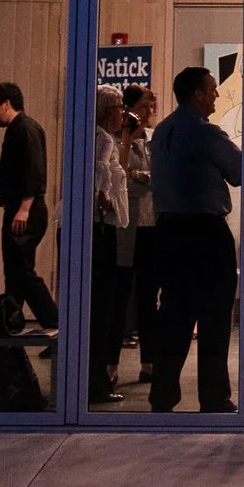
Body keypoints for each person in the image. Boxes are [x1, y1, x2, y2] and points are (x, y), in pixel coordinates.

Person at [148, 65, 242, 413]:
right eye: (212, 89)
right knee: (215, 316)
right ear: (197, 94)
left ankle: (163, 396)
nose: (217, 94)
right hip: (205, 233)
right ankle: (214, 397)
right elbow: (240, 171)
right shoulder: (208, 134)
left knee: (174, 315)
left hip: (170, 232)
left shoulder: (162, 132)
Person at [0, 82, 58, 331]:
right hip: (20, 207)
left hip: (25, 211)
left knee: (22, 271)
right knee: (16, 273)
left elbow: (33, 170)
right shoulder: (19, 129)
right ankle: (11, 326)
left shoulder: (25, 129)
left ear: (6, 104)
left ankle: (56, 324)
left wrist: (24, 208)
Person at [87, 85, 133, 404]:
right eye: (119, 107)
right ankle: (96, 381)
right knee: (100, 307)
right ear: (106, 111)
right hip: (98, 228)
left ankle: (93, 376)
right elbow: (102, 179)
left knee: (99, 306)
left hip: (97, 226)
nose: (123, 113)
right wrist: (104, 200)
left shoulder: (102, 139)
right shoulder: (102, 139)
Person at [122, 85, 161, 360]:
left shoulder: (153, 140)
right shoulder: (121, 140)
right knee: (123, 290)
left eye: (152, 107)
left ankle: (149, 361)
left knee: (149, 295)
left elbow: (160, 176)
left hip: (152, 223)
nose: (149, 112)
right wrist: (140, 177)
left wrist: (141, 176)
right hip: (126, 223)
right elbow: (122, 177)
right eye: (144, 106)